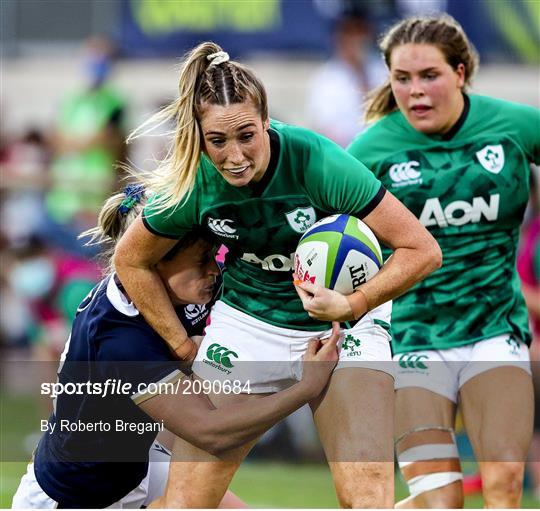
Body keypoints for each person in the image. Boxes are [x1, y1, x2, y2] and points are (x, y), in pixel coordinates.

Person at [113, 42, 441, 508]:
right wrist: (183, 345)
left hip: (342, 328)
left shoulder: (317, 163)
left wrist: (353, 304)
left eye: (247, 135)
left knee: (367, 499)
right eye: (218, 141)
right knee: (186, 503)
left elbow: (422, 250)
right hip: (247, 325)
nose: (235, 156)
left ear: (267, 121)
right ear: (200, 138)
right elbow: (130, 260)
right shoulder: (191, 184)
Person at [11, 184, 341, 509]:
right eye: (202, 259)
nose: (214, 268)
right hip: (79, 495)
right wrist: (306, 387)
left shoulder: (184, 285)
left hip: (134, 463)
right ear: (152, 261)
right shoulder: (119, 337)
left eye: (213, 254)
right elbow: (211, 433)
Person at [347, 14, 540, 508]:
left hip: (495, 332)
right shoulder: (371, 150)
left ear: (460, 72)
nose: (415, 91)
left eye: (429, 75)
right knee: (441, 502)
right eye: (402, 79)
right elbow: (326, 233)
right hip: (414, 337)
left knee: (504, 485)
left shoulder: (514, 126)